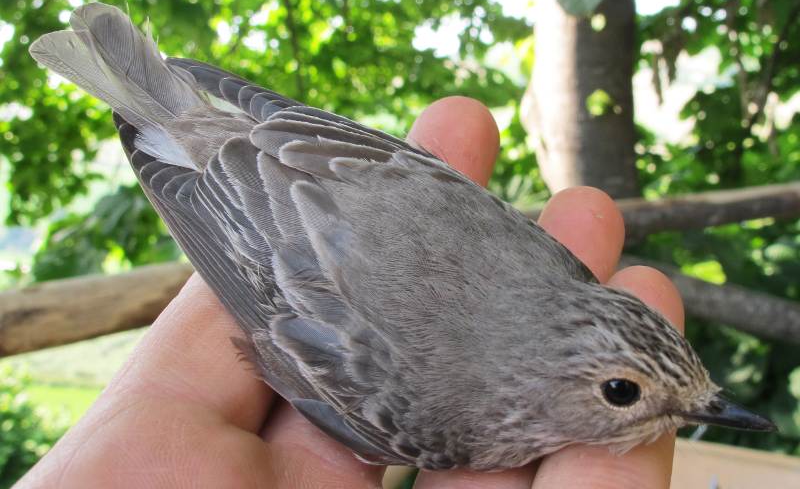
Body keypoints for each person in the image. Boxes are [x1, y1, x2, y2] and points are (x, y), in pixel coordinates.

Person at [16, 96, 683, 489]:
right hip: (256, 217)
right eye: (621, 391)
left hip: (299, 169)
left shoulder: (559, 266)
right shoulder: (450, 424)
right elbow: (275, 310)